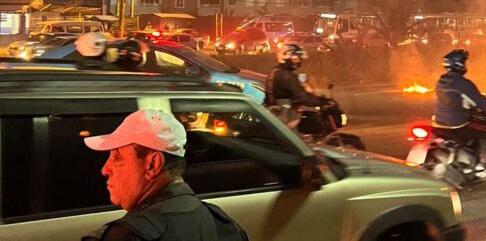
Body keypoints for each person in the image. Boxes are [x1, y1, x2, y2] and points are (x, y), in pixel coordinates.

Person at [82, 109, 249, 241]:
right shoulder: (224, 224)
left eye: (117, 157)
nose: (105, 169)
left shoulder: (129, 236)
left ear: (153, 164)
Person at [432, 49, 486, 170]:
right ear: (459, 64)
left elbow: (456, 101)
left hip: (439, 123)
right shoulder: (463, 84)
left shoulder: (441, 82)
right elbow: (481, 102)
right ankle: (482, 165)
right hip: (457, 124)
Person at [264, 43, 330, 124]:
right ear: (287, 58)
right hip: (285, 119)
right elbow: (303, 98)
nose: (298, 62)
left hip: (274, 115)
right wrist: (324, 102)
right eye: (296, 59)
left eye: (299, 59)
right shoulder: (287, 76)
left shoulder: (274, 72)